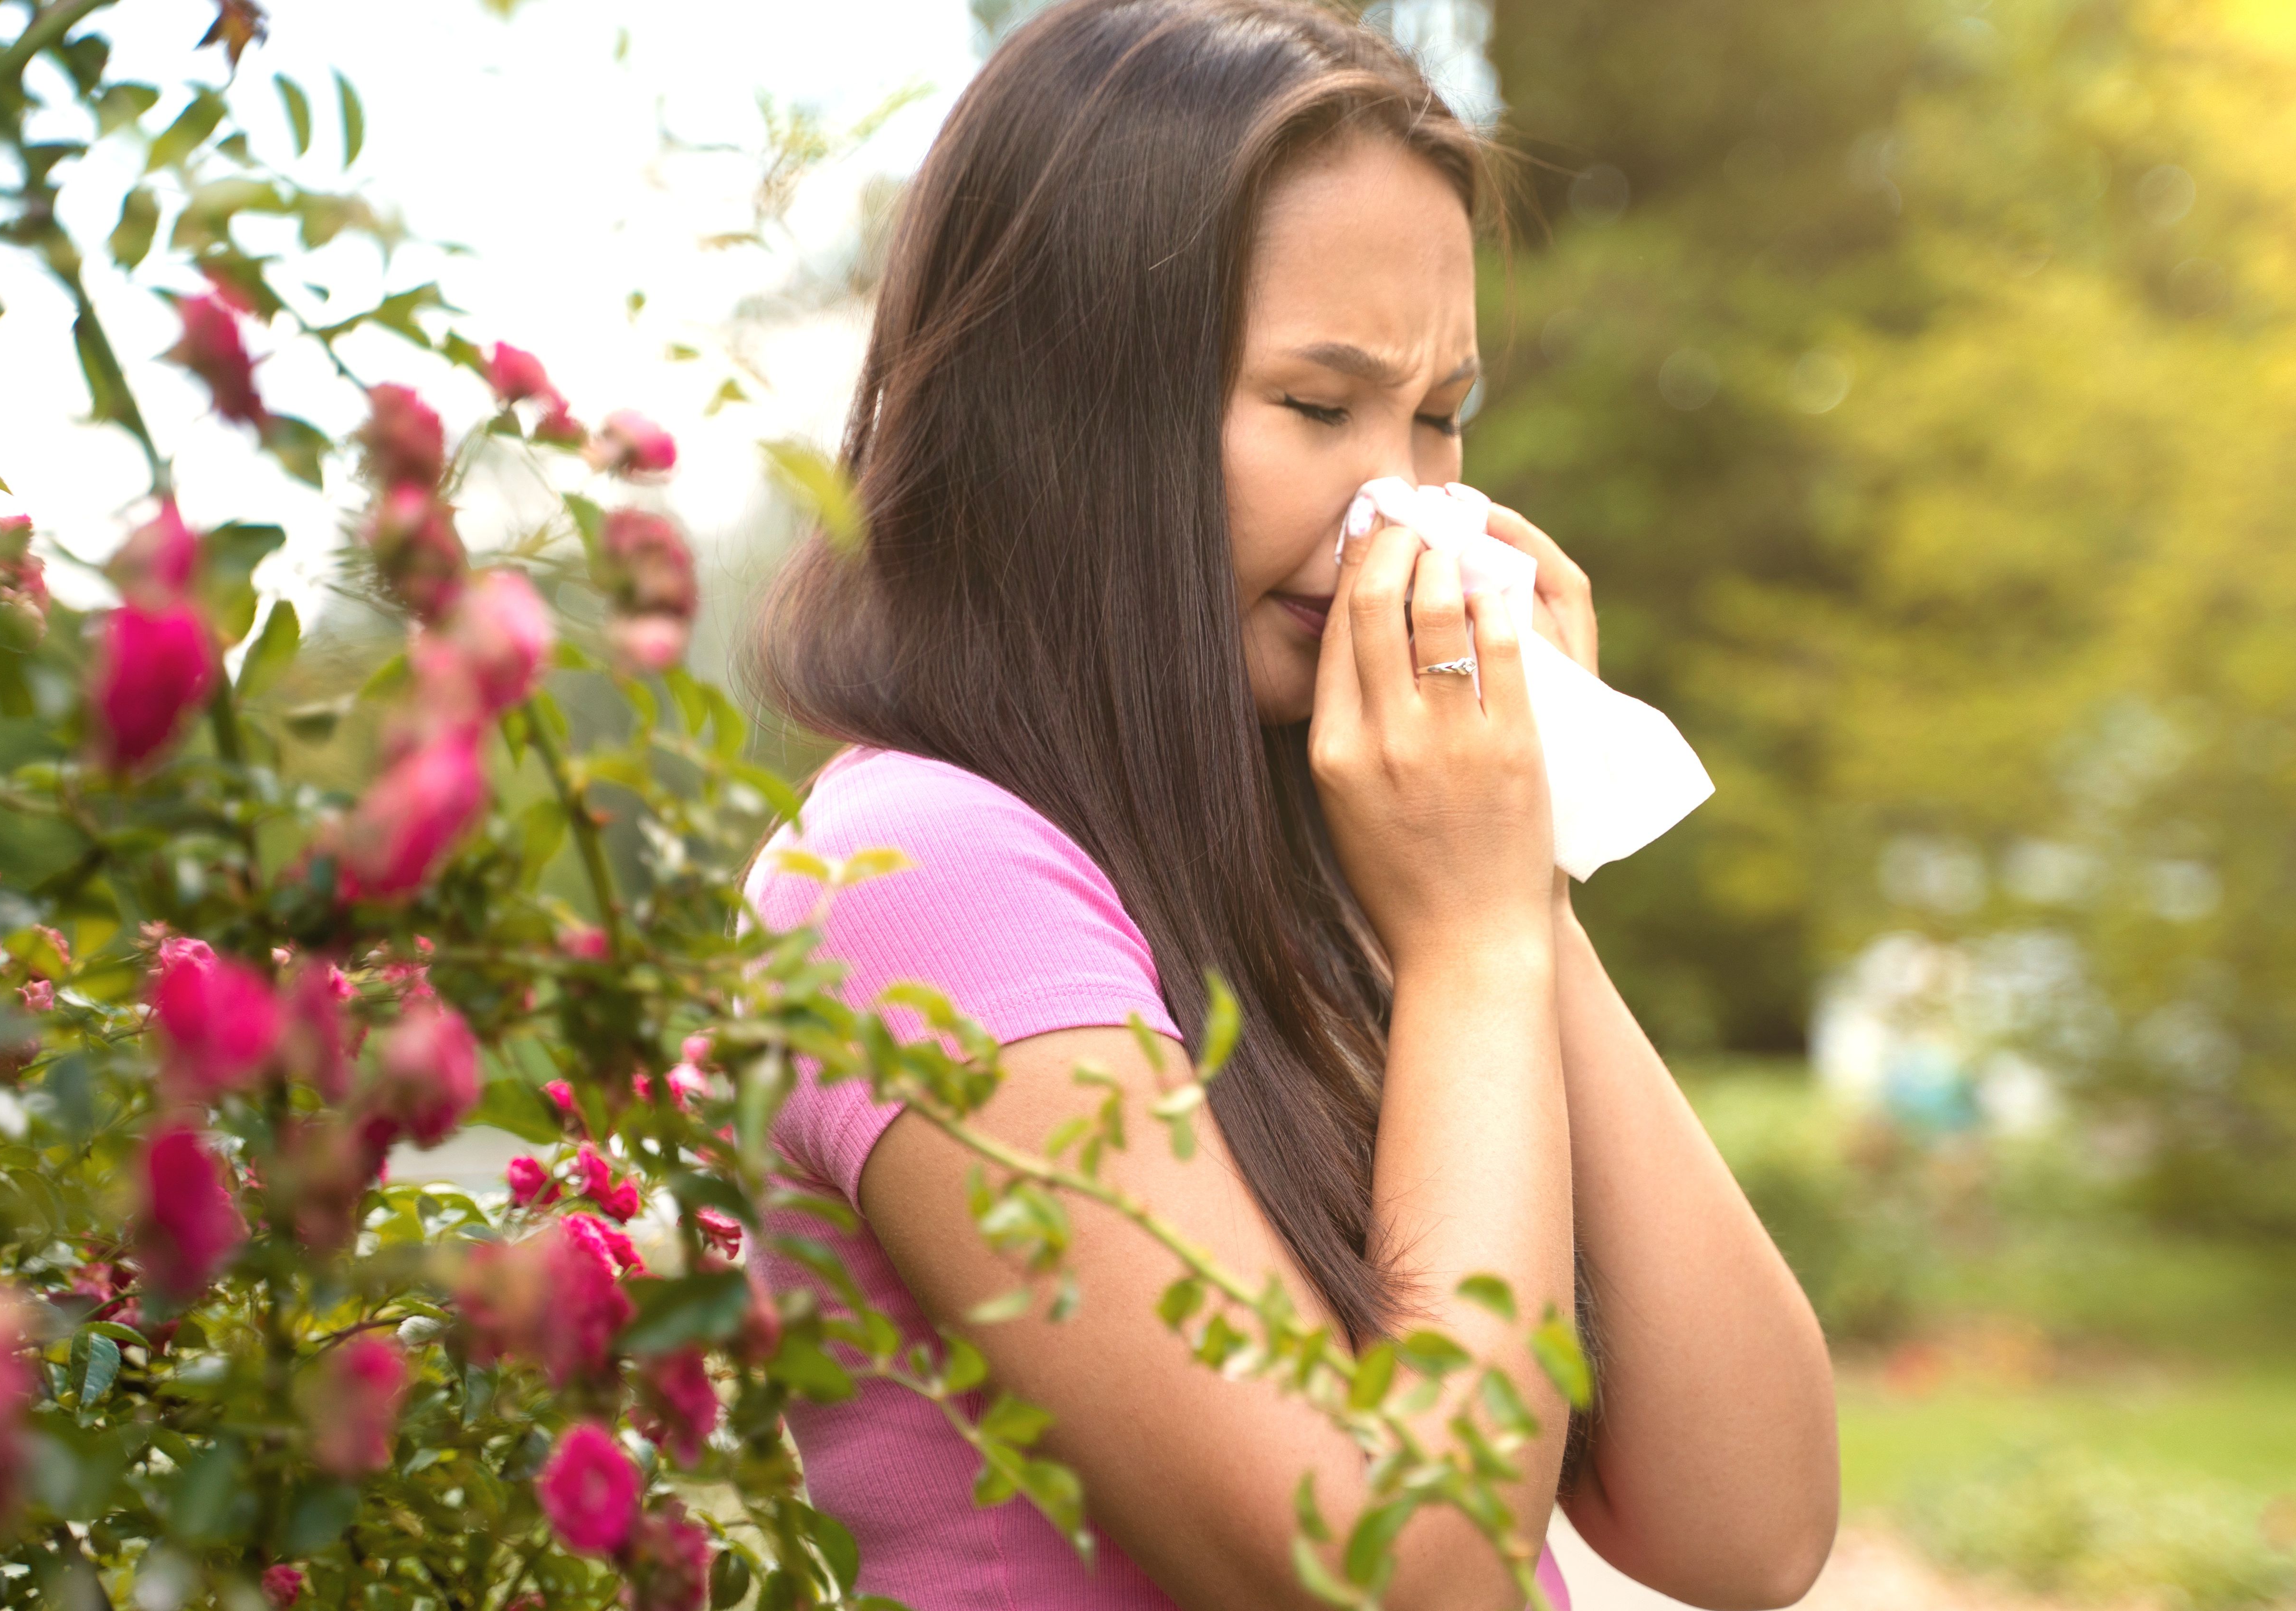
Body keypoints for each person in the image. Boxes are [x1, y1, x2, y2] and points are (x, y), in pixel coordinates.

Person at [744, 1, 1838, 1605]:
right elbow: (1410, 1581)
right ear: (1066, 418)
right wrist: (1466, 945)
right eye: (1322, 410)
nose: (1411, 504)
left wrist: (1518, 889)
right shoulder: (921, 875)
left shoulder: (1316, 870)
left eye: (1442, 414)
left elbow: (1751, 1528)